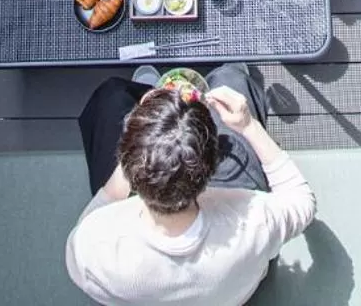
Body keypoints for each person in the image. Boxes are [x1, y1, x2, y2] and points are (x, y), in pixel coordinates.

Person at [67, 65, 315, 305]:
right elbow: (302, 201)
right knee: (230, 78)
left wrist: (141, 149)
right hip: (232, 293)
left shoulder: (96, 247)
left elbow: (91, 221)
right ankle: (230, 77)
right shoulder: (254, 225)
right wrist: (249, 126)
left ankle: (144, 90)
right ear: (212, 165)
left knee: (112, 95)